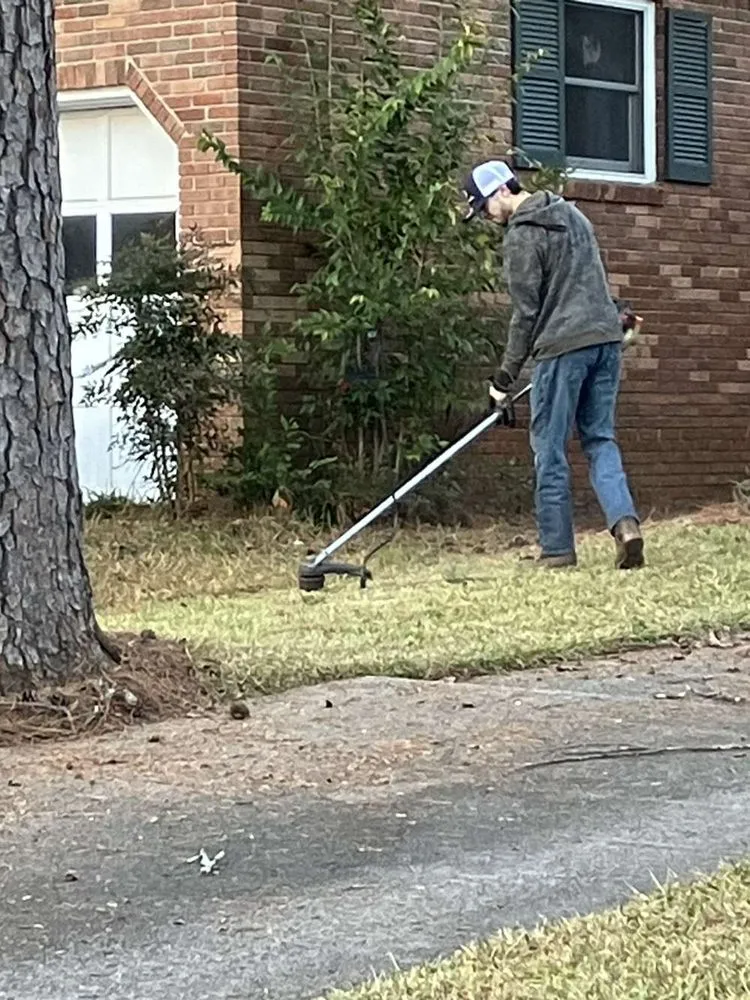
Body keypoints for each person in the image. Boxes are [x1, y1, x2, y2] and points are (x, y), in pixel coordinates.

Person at [462, 159, 644, 570]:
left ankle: (558, 549)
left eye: (483, 207)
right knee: (600, 439)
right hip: (605, 341)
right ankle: (626, 525)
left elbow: (526, 314)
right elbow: (593, 281)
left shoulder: (522, 235)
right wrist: (617, 316)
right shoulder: (573, 215)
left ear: (501, 192)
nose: (487, 219)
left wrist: (503, 378)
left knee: (550, 446)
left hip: (561, 348)